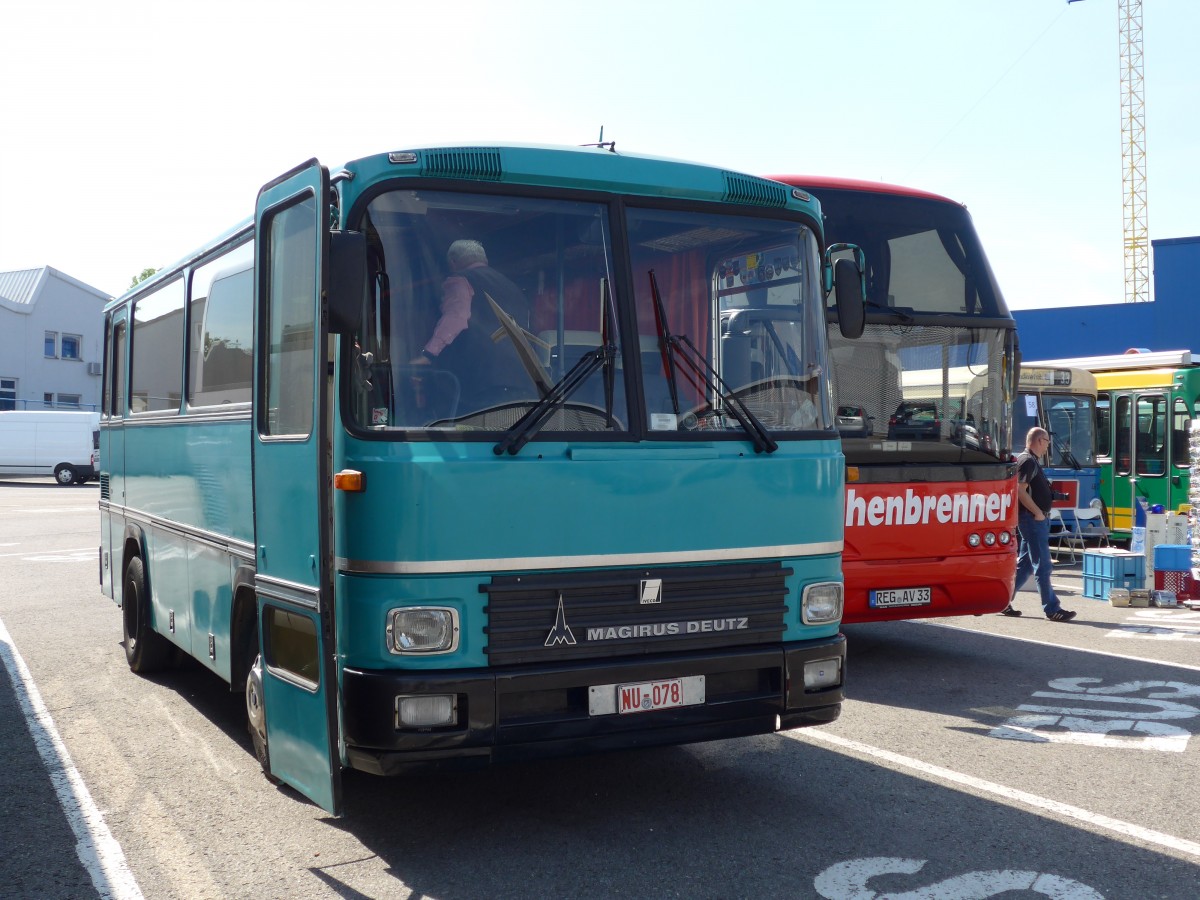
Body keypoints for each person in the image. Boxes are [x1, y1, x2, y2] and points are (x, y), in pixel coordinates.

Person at [410, 239, 532, 407]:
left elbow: (455, 318)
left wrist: (429, 355)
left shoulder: (460, 280)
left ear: (452, 262)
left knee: (477, 431)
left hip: (481, 383)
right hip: (521, 382)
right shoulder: (513, 287)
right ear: (485, 261)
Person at [1001, 426, 1077, 621]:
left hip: (1033, 518)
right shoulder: (1027, 461)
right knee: (1043, 565)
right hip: (1033, 519)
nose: (1047, 448)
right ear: (1039, 441)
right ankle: (1052, 609)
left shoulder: (1030, 461)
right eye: (1047, 443)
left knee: (1025, 565)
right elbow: (1020, 490)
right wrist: (1037, 512)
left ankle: (1003, 600)